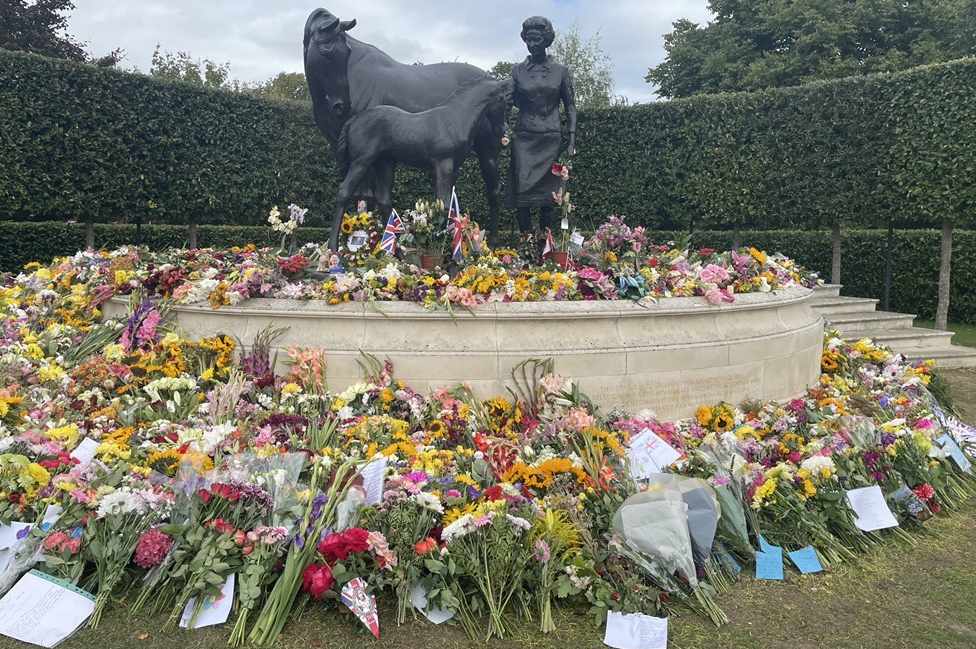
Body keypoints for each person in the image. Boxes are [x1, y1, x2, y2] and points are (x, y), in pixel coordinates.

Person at [505, 16, 577, 234]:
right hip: (524, 137)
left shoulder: (560, 71)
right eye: (528, 40)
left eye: (536, 40)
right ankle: (526, 242)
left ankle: (545, 243)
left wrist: (571, 141)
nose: (532, 45)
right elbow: (505, 104)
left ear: (547, 41)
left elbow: (571, 107)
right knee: (522, 192)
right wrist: (504, 130)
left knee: (549, 193)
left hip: (550, 137)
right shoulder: (517, 71)